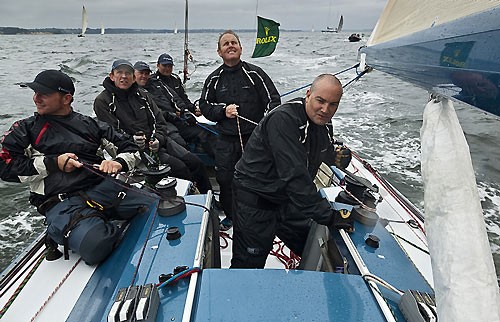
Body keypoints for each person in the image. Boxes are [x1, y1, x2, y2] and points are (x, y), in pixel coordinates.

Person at [0, 70, 155, 265]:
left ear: (66, 98)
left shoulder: (91, 125)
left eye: (43, 93)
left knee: (157, 205)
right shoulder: (25, 130)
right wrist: (53, 163)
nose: (36, 98)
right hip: (61, 202)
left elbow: (130, 148)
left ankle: (96, 223)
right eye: (35, 93)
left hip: (103, 189)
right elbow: (5, 167)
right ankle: (64, 231)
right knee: (96, 246)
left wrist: (117, 163)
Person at [231, 74, 354, 268]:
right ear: (308, 95)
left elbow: (324, 154)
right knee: (249, 266)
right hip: (256, 201)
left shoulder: (323, 125)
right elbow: (295, 176)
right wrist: (329, 216)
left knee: (313, 245)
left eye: (333, 105)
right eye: (320, 101)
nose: (325, 110)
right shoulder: (283, 119)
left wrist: (337, 157)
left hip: (287, 201)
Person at [199, 30, 281, 230]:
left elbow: (273, 101)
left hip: (254, 138)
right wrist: (222, 111)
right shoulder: (214, 79)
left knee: (256, 177)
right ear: (219, 52)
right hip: (225, 140)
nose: (230, 45)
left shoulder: (255, 74)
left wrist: (266, 128)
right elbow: (205, 106)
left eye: (234, 42)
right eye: (226, 43)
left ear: (241, 49)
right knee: (226, 180)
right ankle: (231, 216)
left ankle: (259, 215)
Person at [94, 59, 211, 193]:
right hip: (136, 151)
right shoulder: (102, 101)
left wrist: (158, 139)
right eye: (119, 72)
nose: (124, 76)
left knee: (195, 162)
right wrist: (133, 141)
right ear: (112, 76)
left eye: (128, 73)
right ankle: (189, 200)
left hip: (159, 141)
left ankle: (208, 197)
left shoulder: (142, 95)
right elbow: (112, 133)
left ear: (133, 78)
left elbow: (159, 120)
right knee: (179, 168)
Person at [134, 61, 216, 159]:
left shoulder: (157, 83)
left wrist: (185, 112)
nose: (144, 76)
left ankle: (219, 163)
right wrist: (168, 115)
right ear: (134, 74)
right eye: (141, 73)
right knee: (180, 144)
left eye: (146, 73)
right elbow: (146, 113)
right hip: (162, 124)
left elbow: (175, 98)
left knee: (206, 131)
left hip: (176, 119)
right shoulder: (133, 91)